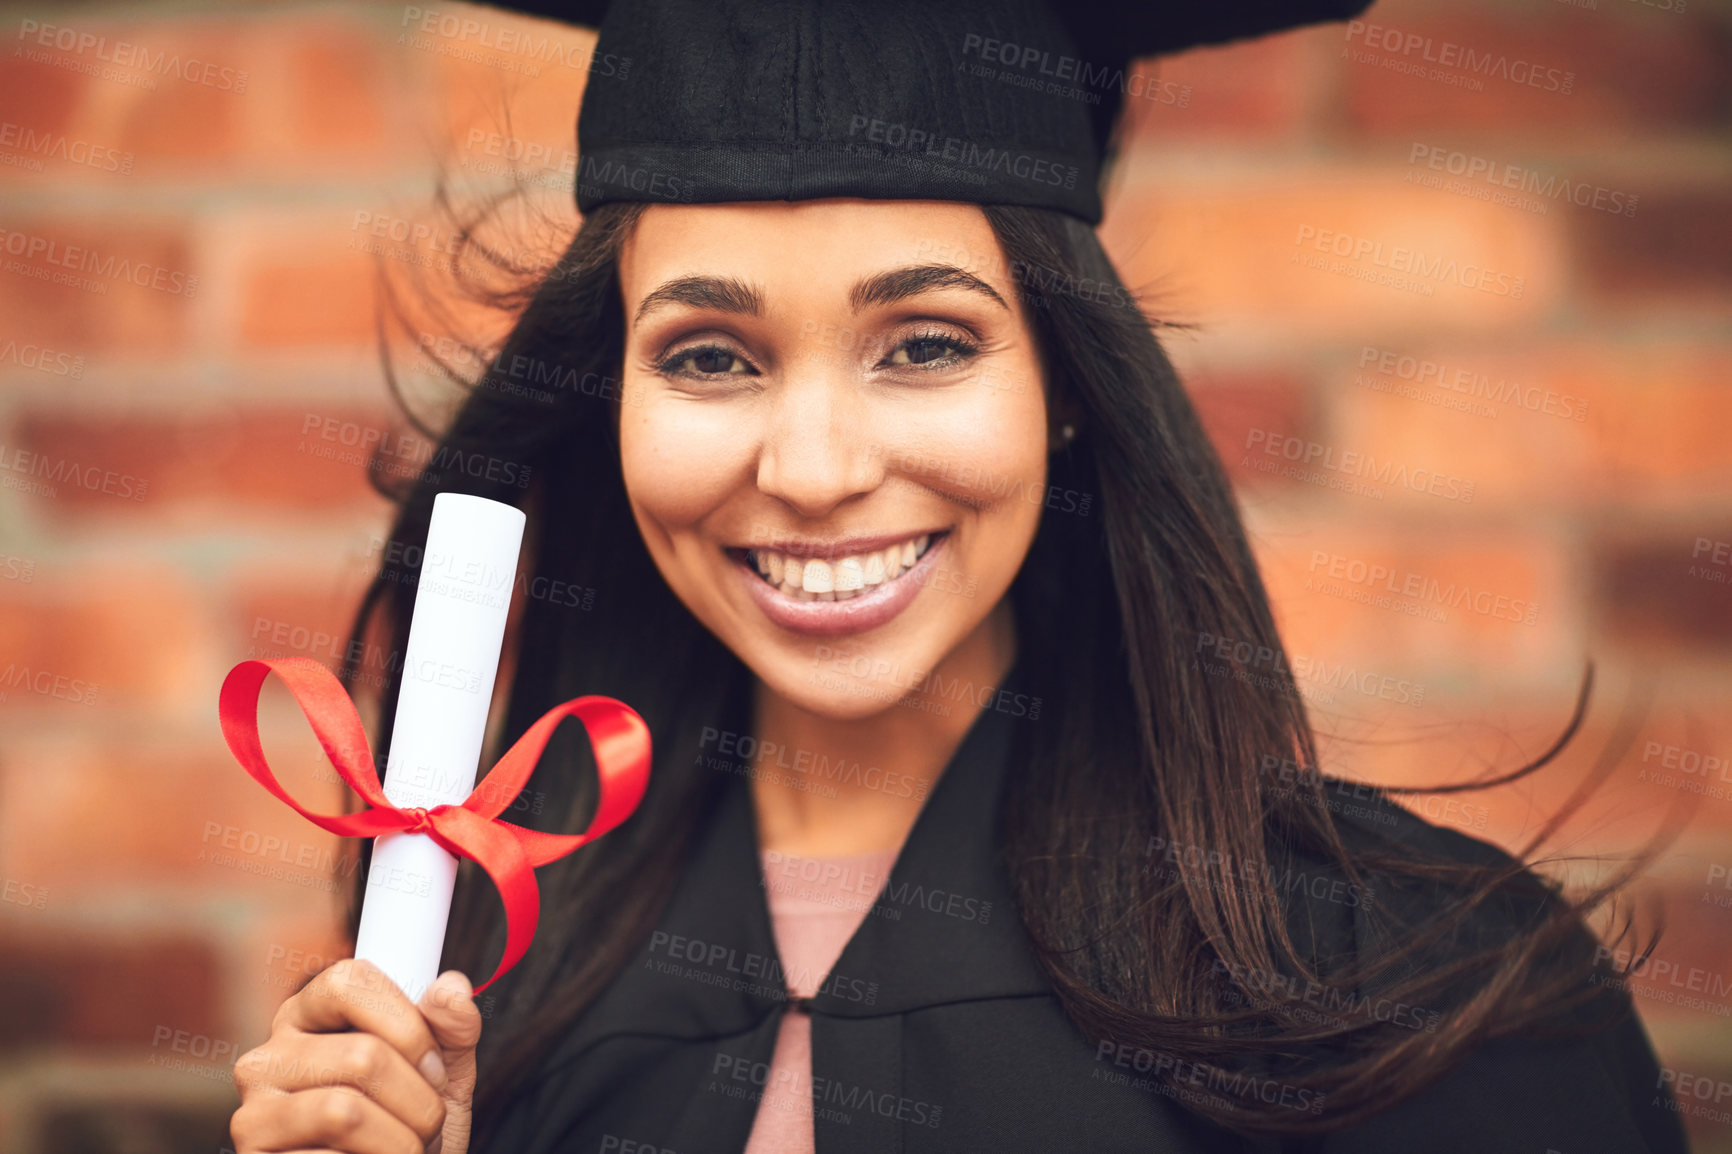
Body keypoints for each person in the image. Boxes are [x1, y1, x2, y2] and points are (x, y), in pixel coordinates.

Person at [229, 1, 1691, 1151]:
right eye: (708, 356)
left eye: (925, 342)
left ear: (1064, 382)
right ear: (614, 393)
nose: (811, 465)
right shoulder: (473, 976)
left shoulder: (1413, 985)